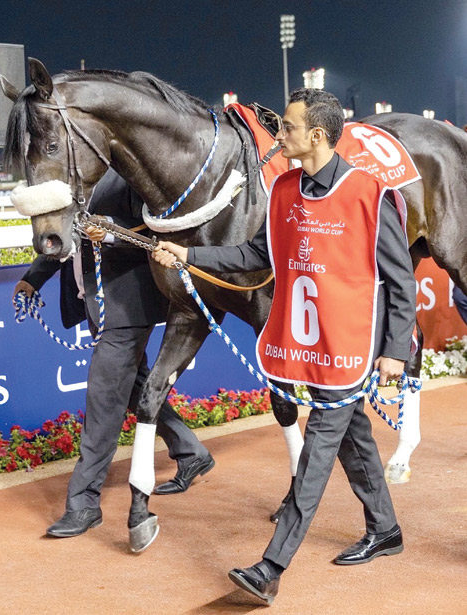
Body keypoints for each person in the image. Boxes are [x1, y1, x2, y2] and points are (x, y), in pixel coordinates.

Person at [152, 88, 416, 604]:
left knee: (319, 446)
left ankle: (271, 566)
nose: (279, 135)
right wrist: (188, 255)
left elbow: (400, 281)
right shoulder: (284, 190)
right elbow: (255, 254)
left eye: (288, 127)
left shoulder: (370, 194)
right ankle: (385, 529)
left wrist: (395, 350)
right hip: (308, 343)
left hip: (352, 345)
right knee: (353, 436)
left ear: (317, 135)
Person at [13, 168, 214, 539]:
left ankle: (83, 503)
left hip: (126, 305)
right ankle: (191, 452)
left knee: (104, 398)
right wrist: (32, 279)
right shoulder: (66, 182)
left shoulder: (124, 174)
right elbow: (60, 237)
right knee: (135, 387)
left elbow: (154, 234)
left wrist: (109, 233)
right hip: (92, 305)